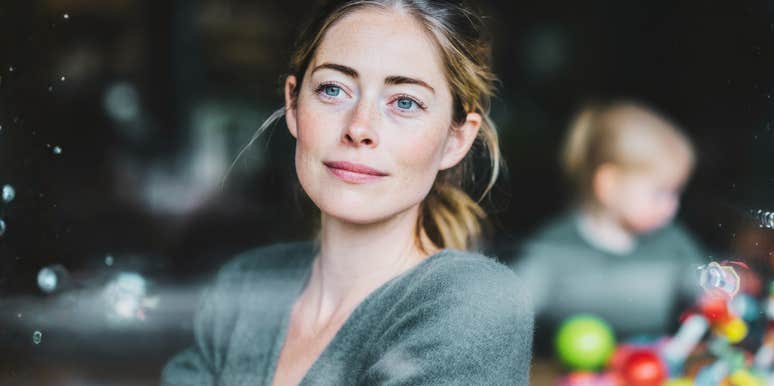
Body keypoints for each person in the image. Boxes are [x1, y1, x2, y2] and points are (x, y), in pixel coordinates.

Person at [161, 1, 533, 385]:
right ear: (293, 103)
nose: (359, 127)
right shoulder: (245, 284)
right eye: (333, 89)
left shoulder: (473, 304)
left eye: (405, 102)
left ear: (457, 139)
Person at [511, 100, 706, 351]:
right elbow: (514, 309)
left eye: (677, 194)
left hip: (651, 371)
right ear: (609, 185)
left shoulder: (672, 243)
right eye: (661, 193)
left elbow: (705, 291)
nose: (673, 206)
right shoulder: (555, 247)